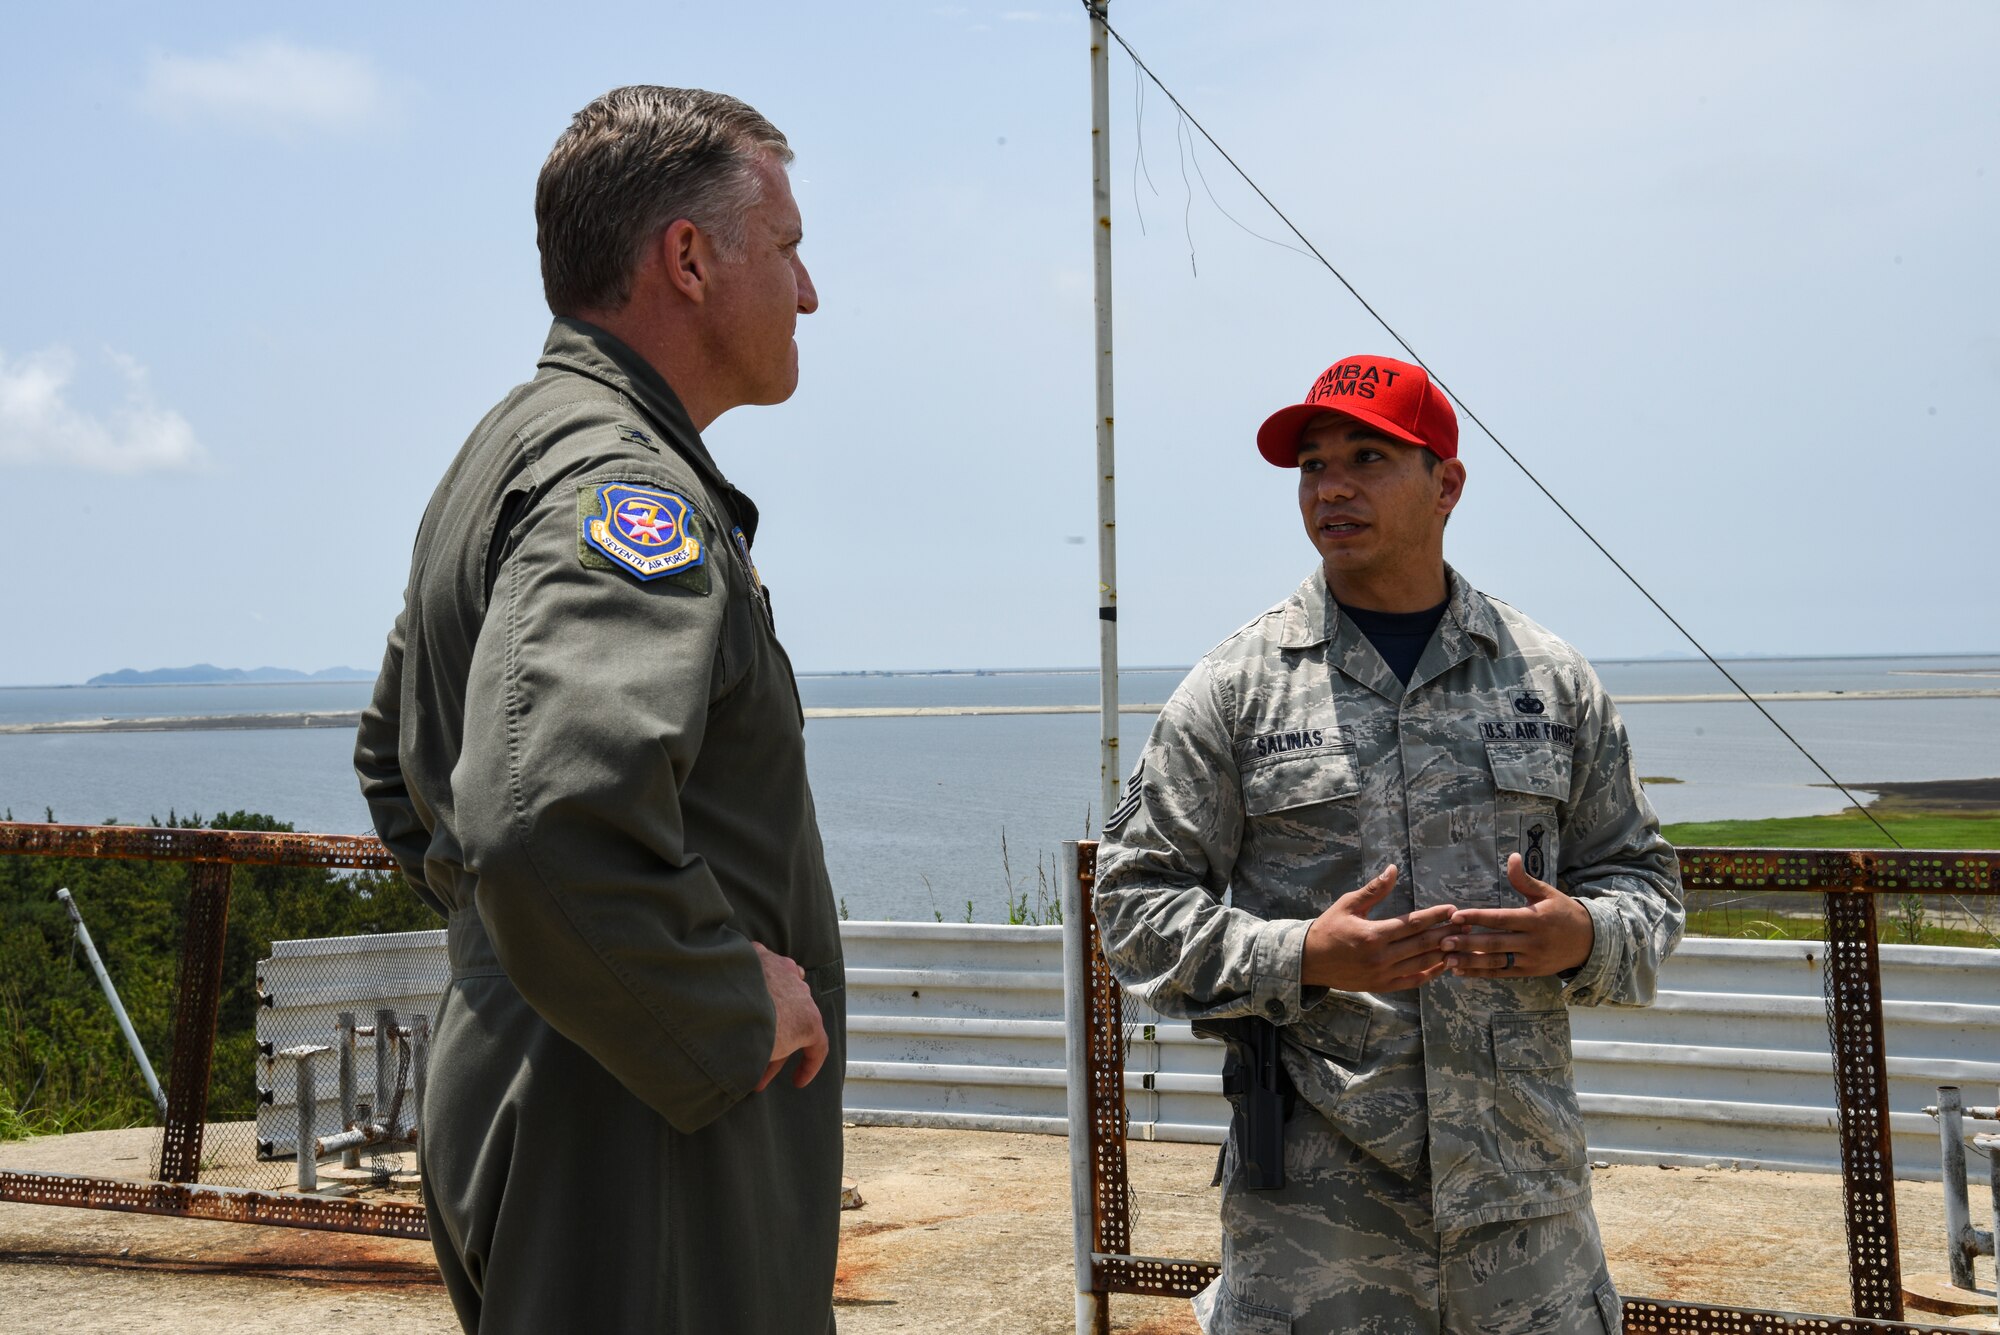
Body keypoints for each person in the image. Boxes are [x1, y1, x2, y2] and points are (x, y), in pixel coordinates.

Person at [353, 86, 842, 1334]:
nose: (808, 291)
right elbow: (538, 822)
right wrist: (724, 1000)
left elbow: (397, 767)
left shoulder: (516, 447)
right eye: (785, 247)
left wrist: (523, 963)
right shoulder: (622, 485)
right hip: (635, 1126)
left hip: (576, 1077)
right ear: (687, 258)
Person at [1093, 355, 1683, 1335]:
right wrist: (1299, 956)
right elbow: (1134, 908)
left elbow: (1646, 885)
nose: (1330, 487)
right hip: (1315, 1224)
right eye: (1311, 465)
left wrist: (1580, 934)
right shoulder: (1236, 691)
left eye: (1367, 458)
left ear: (1444, 484)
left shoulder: (1547, 682)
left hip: (1521, 1213)